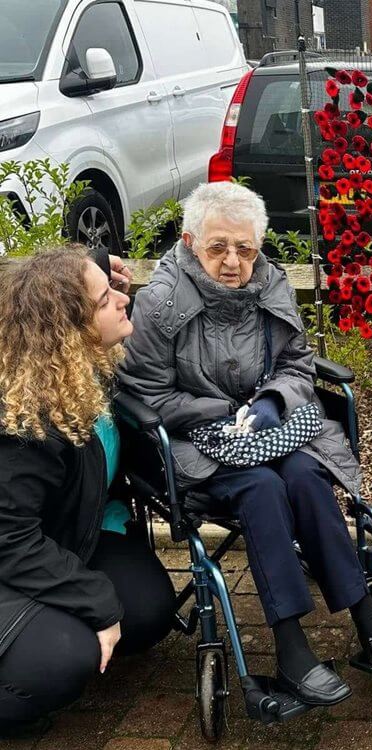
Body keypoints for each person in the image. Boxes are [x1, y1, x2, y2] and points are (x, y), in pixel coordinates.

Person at [118, 182, 372, 708]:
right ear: (190, 242)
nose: (233, 261)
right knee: (261, 489)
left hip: (274, 429)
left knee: (305, 476)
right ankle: (290, 645)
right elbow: (146, 394)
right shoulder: (161, 302)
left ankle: (366, 617)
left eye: (245, 248)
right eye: (218, 247)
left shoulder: (270, 282)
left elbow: (296, 362)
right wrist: (221, 414)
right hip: (197, 443)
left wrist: (273, 403)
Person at [0, 247, 176, 733]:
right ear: (68, 330)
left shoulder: (82, 366)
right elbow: (9, 539)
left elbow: (42, 283)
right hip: (15, 553)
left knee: (147, 612)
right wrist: (93, 601)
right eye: (106, 299)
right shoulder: (24, 424)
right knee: (62, 660)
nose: (124, 300)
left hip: (74, 531)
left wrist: (96, 263)